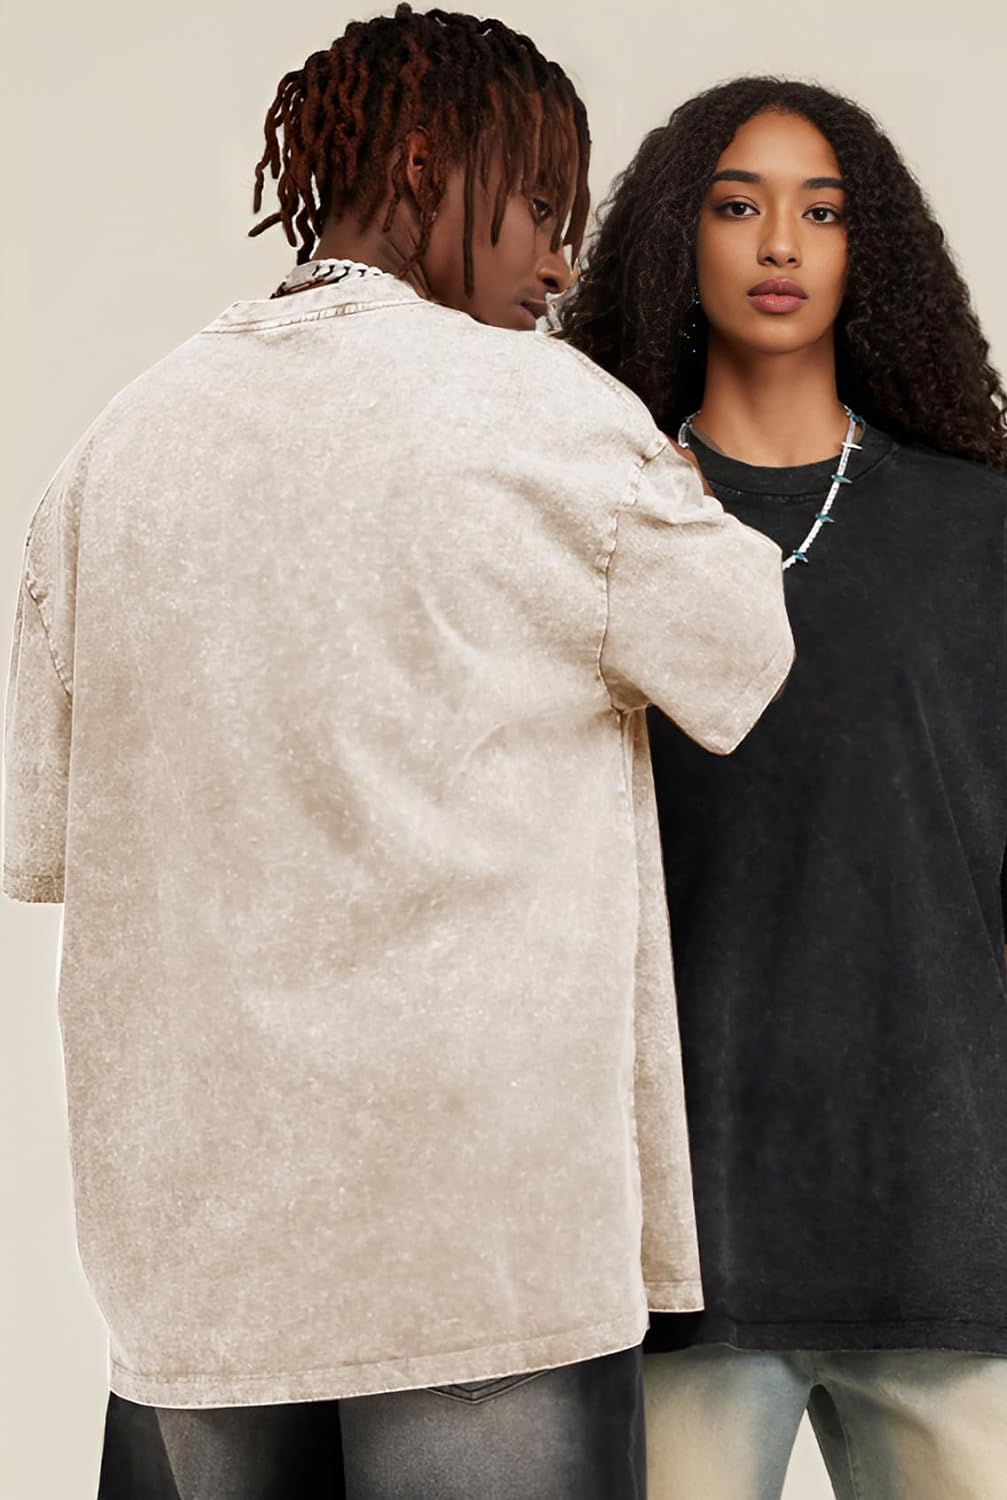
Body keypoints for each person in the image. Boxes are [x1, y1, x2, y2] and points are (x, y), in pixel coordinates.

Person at [1, 17, 794, 1500]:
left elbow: (44, 843)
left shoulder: (112, 454)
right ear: (426, 167)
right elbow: (739, 655)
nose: (560, 261)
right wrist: (679, 483)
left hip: (196, 1255)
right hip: (477, 1240)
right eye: (541, 207)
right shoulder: (547, 414)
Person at [561, 76, 1007, 1500]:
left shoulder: (981, 540)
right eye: (737, 205)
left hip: (948, 1237)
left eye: (820, 212)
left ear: (865, 249)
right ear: (676, 238)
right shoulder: (601, 524)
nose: (780, 242)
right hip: (678, 1258)